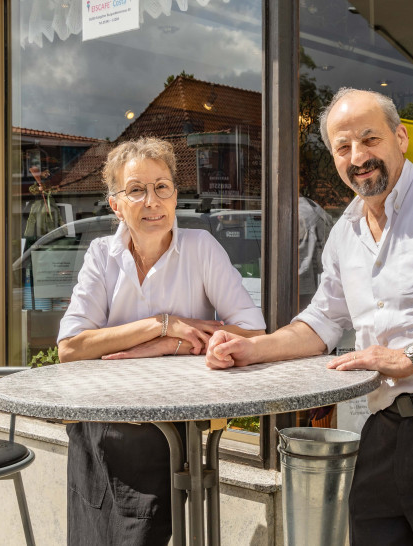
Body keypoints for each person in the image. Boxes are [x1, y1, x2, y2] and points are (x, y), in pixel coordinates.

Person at [205, 88, 413, 545]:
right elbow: (321, 322)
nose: (358, 156)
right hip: (385, 430)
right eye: (343, 147)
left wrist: (412, 359)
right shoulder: (345, 230)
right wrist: (250, 347)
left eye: (370, 139)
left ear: (401, 138)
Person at [57, 137, 265, 546]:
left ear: (174, 196)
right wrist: (162, 325)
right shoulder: (102, 254)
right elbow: (70, 348)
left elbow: (252, 334)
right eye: (136, 190)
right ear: (116, 204)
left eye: (162, 187)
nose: (152, 201)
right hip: (101, 426)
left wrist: (167, 346)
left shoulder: (201, 248)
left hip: (169, 431)